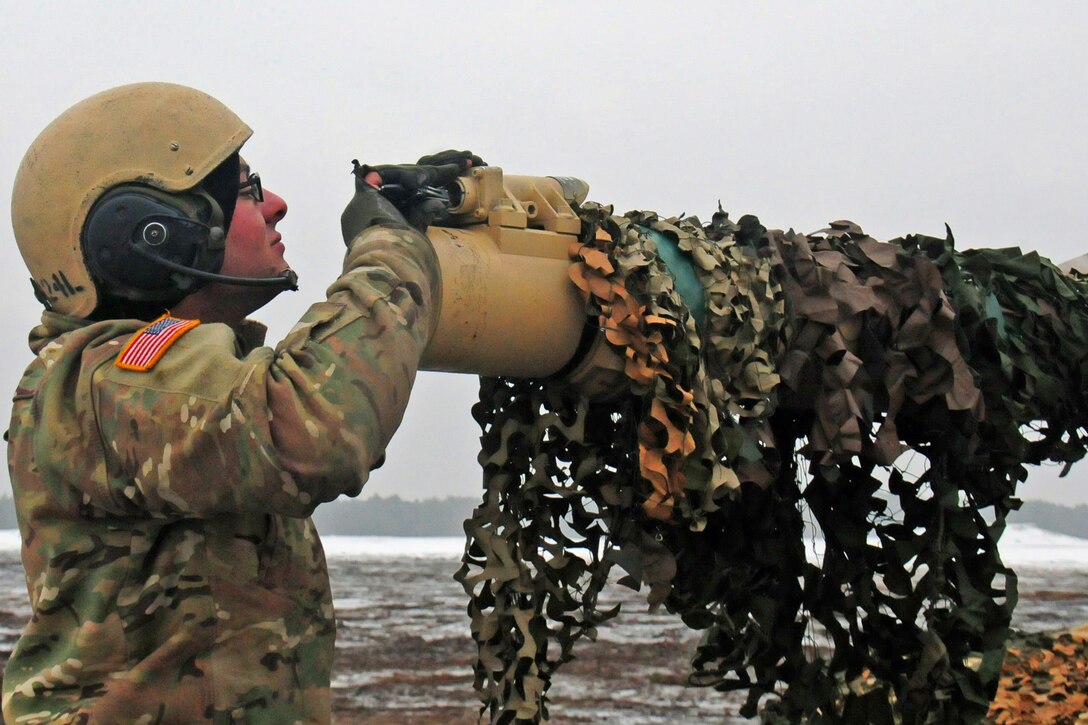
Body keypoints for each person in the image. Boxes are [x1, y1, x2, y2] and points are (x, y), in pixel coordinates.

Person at [3, 82, 465, 722]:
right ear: (151, 234)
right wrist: (390, 246)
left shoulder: (182, 377)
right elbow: (318, 427)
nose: (276, 205)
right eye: (247, 190)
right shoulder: (101, 382)